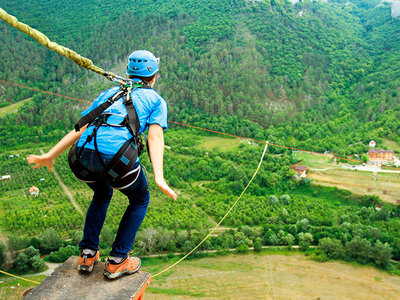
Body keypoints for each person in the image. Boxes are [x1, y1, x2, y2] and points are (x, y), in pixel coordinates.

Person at [28, 50, 177, 279]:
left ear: (129, 73)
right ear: (154, 76)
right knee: (140, 198)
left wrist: (51, 155)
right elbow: (154, 137)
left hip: (80, 159)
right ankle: (118, 259)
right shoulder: (156, 100)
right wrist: (159, 176)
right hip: (117, 161)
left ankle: (87, 253)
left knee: (102, 193)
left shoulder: (110, 92)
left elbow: (82, 126)